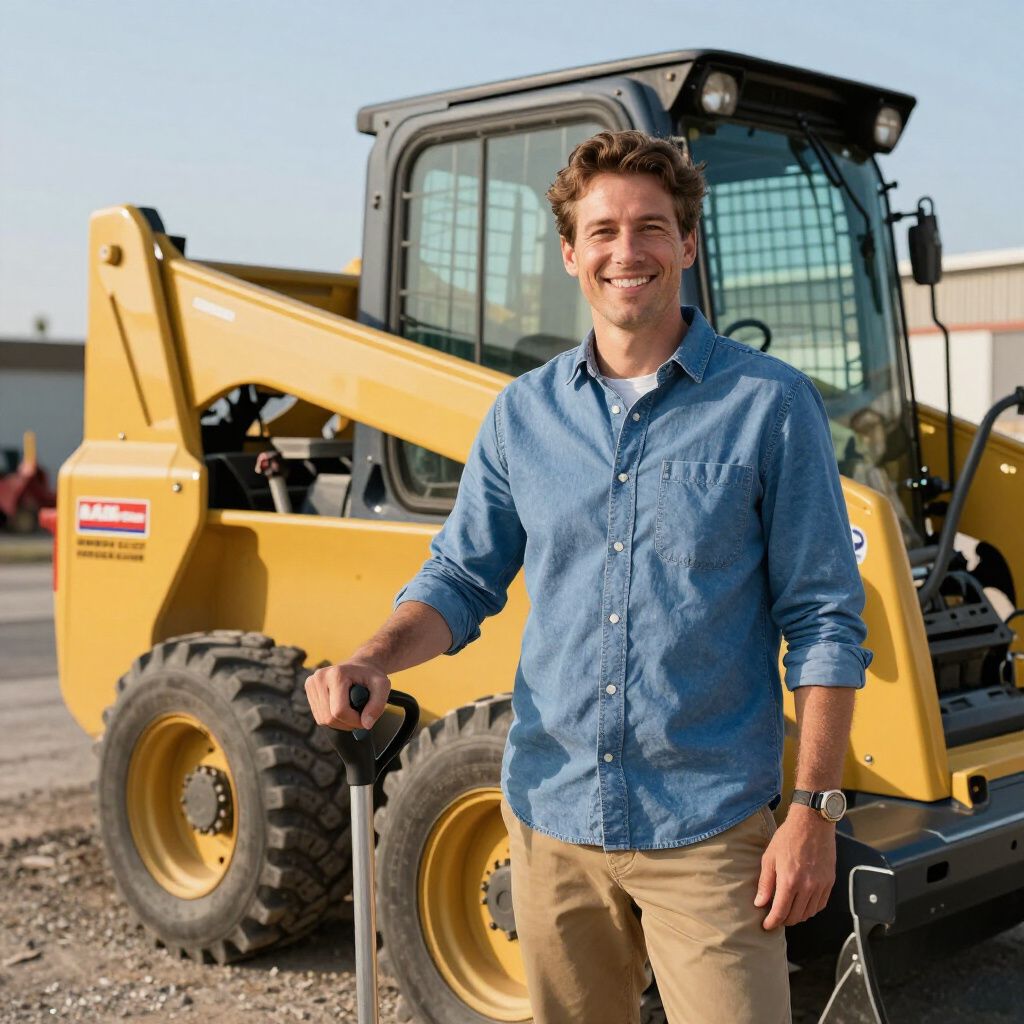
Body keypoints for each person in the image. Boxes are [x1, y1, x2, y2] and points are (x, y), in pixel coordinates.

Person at [305, 129, 873, 1024]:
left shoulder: (769, 407)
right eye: (602, 230)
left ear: (687, 244)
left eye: (651, 227)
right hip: (550, 821)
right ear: (571, 253)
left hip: (710, 828)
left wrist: (815, 812)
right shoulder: (522, 416)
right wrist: (375, 658)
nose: (627, 250)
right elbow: (459, 577)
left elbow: (826, 620)